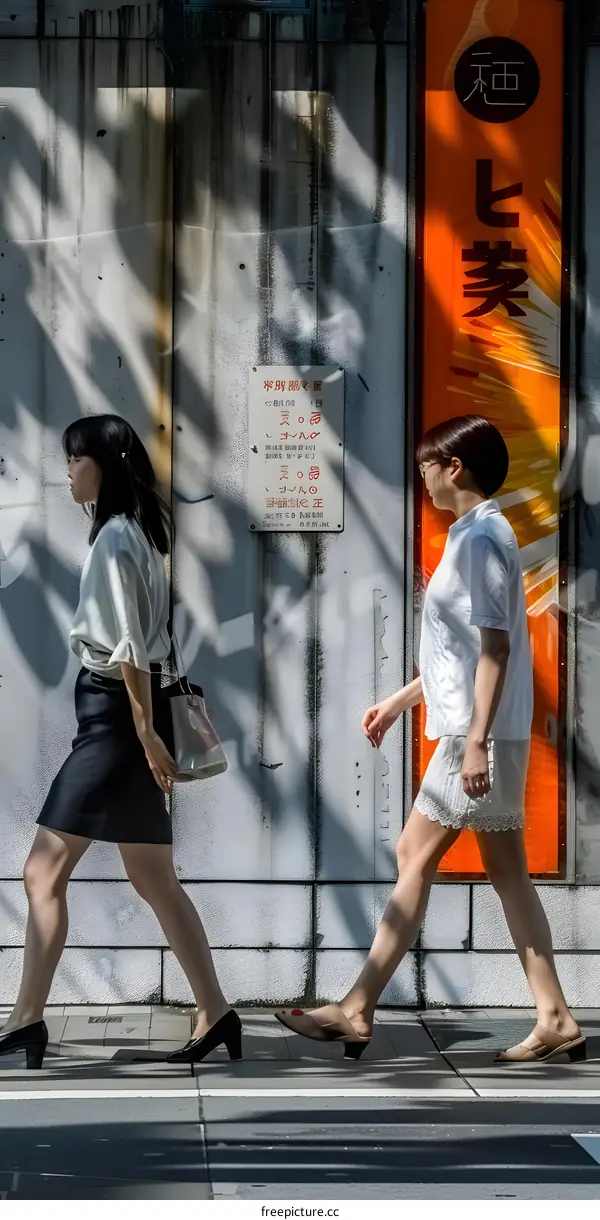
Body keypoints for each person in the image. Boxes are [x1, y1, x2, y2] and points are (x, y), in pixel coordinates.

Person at [275, 415, 585, 1065]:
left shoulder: (481, 538)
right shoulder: (474, 535)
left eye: (427, 466)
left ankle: (357, 1007)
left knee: (414, 855)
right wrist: (400, 699)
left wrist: (474, 742)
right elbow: (462, 653)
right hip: (478, 728)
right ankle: (555, 1016)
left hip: (476, 736)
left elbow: (496, 649)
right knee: (507, 875)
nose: (421, 476)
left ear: (456, 467)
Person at [0, 414, 241, 1069]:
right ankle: (215, 1010)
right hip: (128, 716)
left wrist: (141, 734)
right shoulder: (136, 534)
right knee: (154, 877)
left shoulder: (113, 539)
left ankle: (25, 1019)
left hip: (115, 720)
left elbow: (129, 648)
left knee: (43, 872)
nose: (69, 471)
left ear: (103, 466)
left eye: (76, 460)